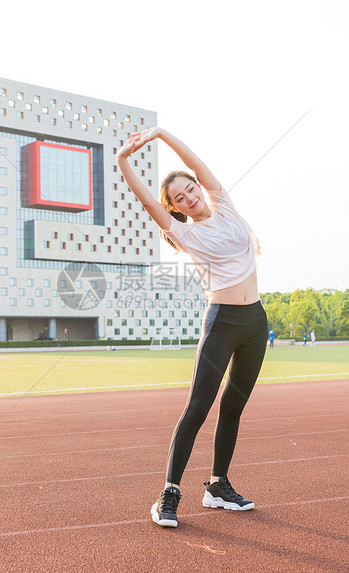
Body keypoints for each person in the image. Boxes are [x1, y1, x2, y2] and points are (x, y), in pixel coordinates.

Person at [117, 127, 266, 528]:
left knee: (233, 407)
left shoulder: (225, 206)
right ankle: (169, 494)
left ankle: (218, 485)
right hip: (221, 323)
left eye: (190, 189)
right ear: (177, 209)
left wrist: (161, 134)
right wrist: (122, 160)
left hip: (256, 321)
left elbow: (197, 164)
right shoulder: (185, 233)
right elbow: (147, 199)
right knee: (198, 408)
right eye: (179, 198)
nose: (189, 197)